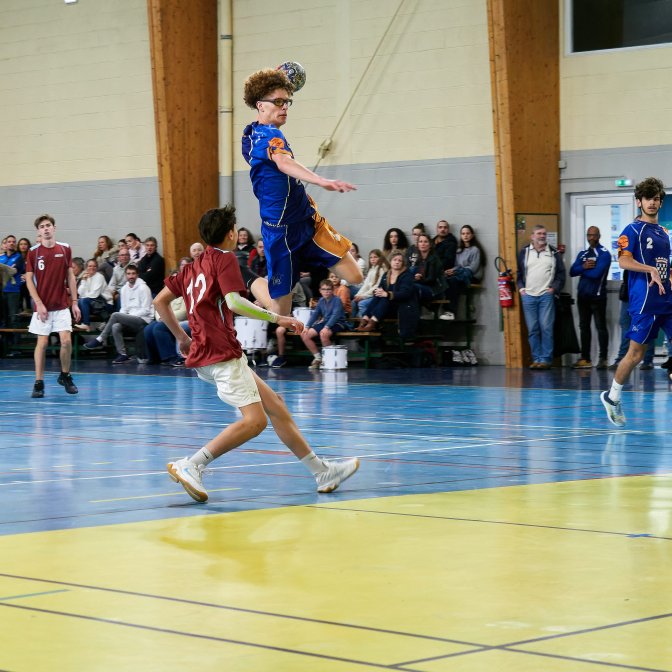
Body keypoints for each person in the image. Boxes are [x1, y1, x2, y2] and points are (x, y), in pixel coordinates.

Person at [153, 204, 359, 502]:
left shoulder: (192, 266)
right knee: (255, 421)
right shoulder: (225, 259)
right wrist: (279, 318)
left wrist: (182, 338)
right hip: (221, 352)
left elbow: (160, 302)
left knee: (276, 406)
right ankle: (192, 464)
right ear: (231, 233)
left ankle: (322, 471)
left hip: (206, 351)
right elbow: (235, 302)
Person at [242, 68, 362, 316]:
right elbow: (283, 162)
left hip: (308, 221)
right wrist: (321, 180)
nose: (285, 107)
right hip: (280, 233)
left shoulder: (252, 134)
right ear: (260, 105)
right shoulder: (266, 136)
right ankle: (248, 277)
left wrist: (272, 80)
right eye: (278, 102)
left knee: (355, 276)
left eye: (287, 102)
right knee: (281, 313)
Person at [601, 177, 671, 427]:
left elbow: (666, 266)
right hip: (645, 302)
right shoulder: (631, 230)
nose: (652, 202)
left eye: (656, 199)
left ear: (660, 202)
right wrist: (649, 269)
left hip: (667, 299)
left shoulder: (663, 233)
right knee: (635, 355)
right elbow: (623, 261)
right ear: (639, 201)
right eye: (648, 198)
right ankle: (612, 397)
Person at [25, 214, 80, 398]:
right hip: (43, 307)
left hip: (61, 305)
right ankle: (38, 383)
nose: (46, 228)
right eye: (42, 227)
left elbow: (70, 276)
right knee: (42, 343)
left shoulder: (65, 249)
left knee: (66, 341)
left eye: (48, 225)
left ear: (54, 228)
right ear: (38, 231)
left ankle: (65, 375)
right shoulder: (33, 252)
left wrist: (74, 302)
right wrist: (39, 303)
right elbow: (29, 281)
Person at [517, 225, 566, 369]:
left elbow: (561, 274)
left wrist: (553, 289)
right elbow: (519, 272)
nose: (542, 236)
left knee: (546, 328)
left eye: (544, 233)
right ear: (532, 236)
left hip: (546, 295)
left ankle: (545, 360)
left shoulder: (553, 252)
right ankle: (536, 359)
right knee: (533, 329)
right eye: (539, 233)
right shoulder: (524, 252)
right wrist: (521, 289)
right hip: (528, 296)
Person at [82, 264, 153, 364]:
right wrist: (125, 316)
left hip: (143, 320)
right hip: (130, 319)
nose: (131, 276)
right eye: (128, 274)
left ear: (137, 275)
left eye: (133, 274)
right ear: (125, 275)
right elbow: (123, 308)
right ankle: (123, 354)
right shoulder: (124, 289)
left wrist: (128, 316)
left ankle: (100, 339)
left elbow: (146, 310)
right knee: (116, 326)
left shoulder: (144, 288)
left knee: (115, 315)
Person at [569, 226, 611, 370]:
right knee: (584, 327)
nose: (591, 238)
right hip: (583, 297)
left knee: (600, 327)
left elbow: (596, 274)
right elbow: (572, 271)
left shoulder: (604, 254)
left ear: (599, 236)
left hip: (597, 297)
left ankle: (603, 359)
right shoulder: (583, 254)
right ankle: (585, 359)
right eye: (589, 235)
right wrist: (584, 267)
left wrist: (582, 270)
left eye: (594, 235)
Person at [357, 252, 419, 338]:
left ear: (403, 263)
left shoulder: (407, 275)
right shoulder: (386, 274)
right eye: (395, 260)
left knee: (385, 298)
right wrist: (378, 291)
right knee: (378, 295)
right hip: (385, 308)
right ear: (390, 261)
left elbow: (405, 294)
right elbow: (380, 289)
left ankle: (373, 322)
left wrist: (387, 294)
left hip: (400, 307)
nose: (397, 262)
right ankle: (365, 318)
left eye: (400, 260)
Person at [609, 270, 655, 371]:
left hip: (645, 296)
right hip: (629, 295)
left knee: (647, 327)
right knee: (626, 327)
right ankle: (622, 358)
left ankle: (647, 360)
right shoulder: (631, 261)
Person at [441, 224, 485, 320]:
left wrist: (456, 271)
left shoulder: (475, 250)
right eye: (463, 233)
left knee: (453, 281)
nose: (465, 235)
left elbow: (473, 268)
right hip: (461, 274)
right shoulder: (459, 250)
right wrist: (452, 270)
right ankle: (447, 310)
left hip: (472, 276)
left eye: (467, 233)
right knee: (447, 279)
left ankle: (451, 311)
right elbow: (457, 265)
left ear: (472, 235)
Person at [406, 233, 444, 313]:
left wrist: (419, 279)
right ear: (417, 244)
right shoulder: (417, 259)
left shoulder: (434, 259)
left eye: (425, 241)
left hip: (434, 289)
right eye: (420, 241)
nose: (423, 244)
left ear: (430, 244)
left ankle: (414, 316)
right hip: (420, 286)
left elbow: (432, 280)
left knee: (413, 288)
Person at [352, 249, 390, 317]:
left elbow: (377, 286)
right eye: (371, 257)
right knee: (353, 302)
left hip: (375, 296)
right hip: (368, 294)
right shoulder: (372, 269)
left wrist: (363, 296)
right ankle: (352, 323)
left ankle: (365, 321)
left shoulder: (382, 269)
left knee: (362, 303)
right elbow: (365, 285)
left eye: (375, 257)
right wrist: (358, 295)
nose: (372, 259)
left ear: (380, 258)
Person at [0, 235, 25, 336]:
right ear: (5, 244)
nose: (11, 243)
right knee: (3, 319)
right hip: (2, 291)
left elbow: (13, 271)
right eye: (9, 242)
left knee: (13, 318)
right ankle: (5, 343)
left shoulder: (19, 257)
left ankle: (15, 344)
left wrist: (4, 268)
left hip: (13, 292)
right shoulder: (1, 257)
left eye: (13, 242)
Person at [74, 259, 110, 331]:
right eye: (90, 266)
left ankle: (86, 324)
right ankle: (80, 324)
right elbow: (80, 293)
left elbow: (94, 295)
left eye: (94, 266)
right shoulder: (85, 276)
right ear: (86, 267)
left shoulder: (99, 277)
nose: (92, 268)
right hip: (94, 303)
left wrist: (84, 296)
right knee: (79, 301)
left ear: (97, 267)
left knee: (83, 300)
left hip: (104, 303)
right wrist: (84, 280)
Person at [16, 237, 32, 312]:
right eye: (21, 244)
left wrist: (27, 275)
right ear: (18, 246)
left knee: (29, 301)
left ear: (28, 245)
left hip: (29, 282)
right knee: (19, 302)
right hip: (18, 282)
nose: (23, 246)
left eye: (25, 244)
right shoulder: (16, 256)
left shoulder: (31, 255)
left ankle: (29, 312)